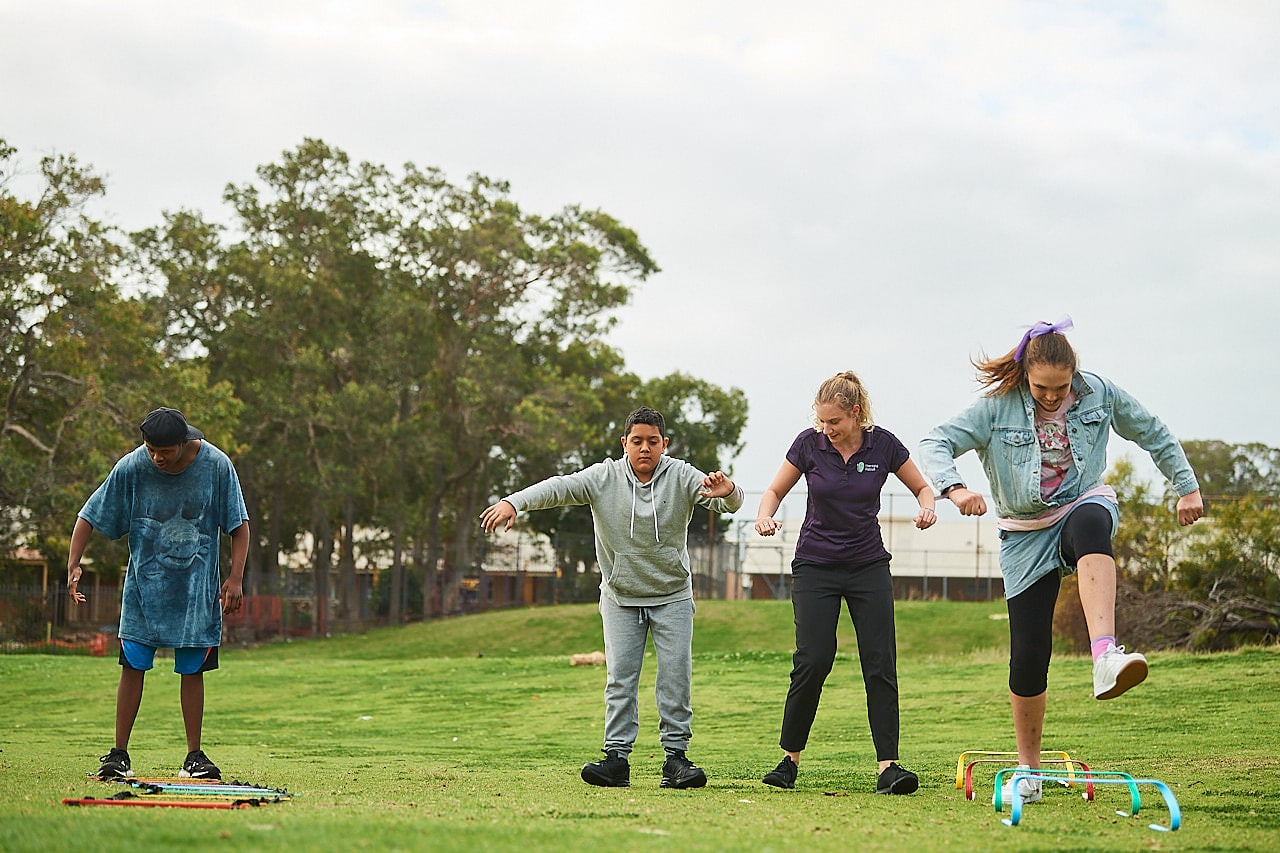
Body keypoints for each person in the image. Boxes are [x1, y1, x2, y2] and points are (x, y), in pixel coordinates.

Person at [917, 318, 1203, 806]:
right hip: (1024, 532)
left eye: (1061, 388)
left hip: (1080, 502)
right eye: (1041, 388)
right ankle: (1028, 770)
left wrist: (1187, 486)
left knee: (1092, 526)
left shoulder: (1100, 394)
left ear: (1075, 375)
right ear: (1026, 375)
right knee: (1029, 654)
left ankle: (1105, 657)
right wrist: (956, 488)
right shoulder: (996, 407)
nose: (1052, 397)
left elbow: (1152, 431)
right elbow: (935, 442)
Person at [480, 406, 743, 789]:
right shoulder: (603, 477)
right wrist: (513, 502)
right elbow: (557, 486)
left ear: (664, 444)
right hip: (620, 597)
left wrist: (731, 491)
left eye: (653, 442)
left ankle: (676, 760)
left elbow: (727, 503)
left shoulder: (683, 475)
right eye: (636, 441)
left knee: (675, 677)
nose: (645, 449)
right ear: (624, 443)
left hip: (672, 596)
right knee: (620, 678)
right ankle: (616, 760)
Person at [755, 371, 935, 795]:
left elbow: (923, 488)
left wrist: (927, 508)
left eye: (834, 421)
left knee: (879, 660)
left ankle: (888, 767)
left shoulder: (884, 445)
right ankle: (789, 760)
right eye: (822, 422)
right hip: (815, 565)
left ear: (855, 413)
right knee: (814, 658)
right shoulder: (808, 444)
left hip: (867, 566)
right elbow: (774, 491)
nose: (827, 430)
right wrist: (766, 516)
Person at [67, 407, 250, 781]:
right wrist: (73, 563)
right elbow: (89, 513)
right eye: (150, 448)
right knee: (132, 666)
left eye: (163, 451)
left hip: (196, 595)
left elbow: (239, 524)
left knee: (192, 670)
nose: (156, 457)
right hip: (143, 594)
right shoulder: (133, 465)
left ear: (183, 444)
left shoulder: (217, 465)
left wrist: (235, 578)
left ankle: (194, 757)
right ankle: (118, 754)